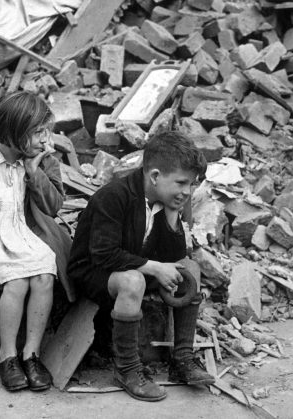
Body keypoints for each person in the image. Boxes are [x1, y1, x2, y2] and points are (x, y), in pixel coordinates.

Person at [68, 130, 214, 402]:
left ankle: (182, 357)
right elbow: (104, 254)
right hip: (94, 273)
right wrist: (155, 268)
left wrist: (172, 216)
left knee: (189, 269)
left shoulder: (164, 198)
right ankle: (127, 368)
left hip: (134, 264)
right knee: (133, 280)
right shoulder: (114, 196)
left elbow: (174, 255)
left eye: (191, 185)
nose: (187, 191)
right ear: (156, 176)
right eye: (182, 183)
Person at [0, 91, 71, 392]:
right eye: (37, 133)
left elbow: (54, 207)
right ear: (14, 132)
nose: (45, 140)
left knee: (43, 276)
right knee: (16, 282)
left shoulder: (45, 160)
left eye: (47, 132)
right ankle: (7, 356)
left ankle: (32, 353)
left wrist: (34, 172)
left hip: (30, 232)